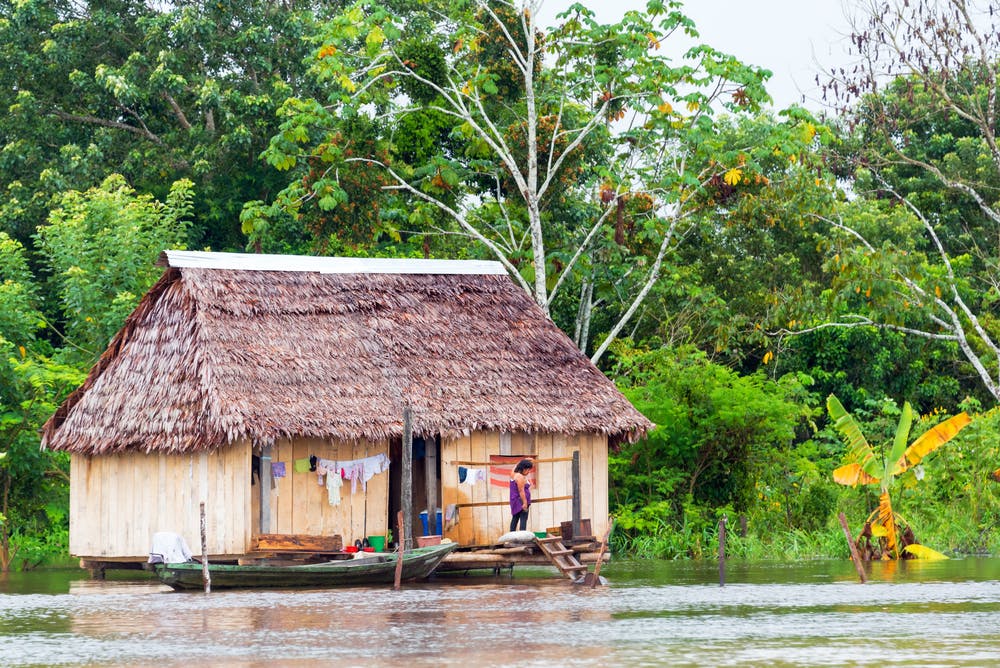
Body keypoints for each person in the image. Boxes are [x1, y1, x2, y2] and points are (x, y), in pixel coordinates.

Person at [509, 459, 533, 532]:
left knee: (515, 518)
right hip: (520, 500)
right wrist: (525, 503)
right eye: (528, 470)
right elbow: (521, 491)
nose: (529, 472)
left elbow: (517, 464)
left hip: (516, 500)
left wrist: (525, 460)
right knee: (523, 519)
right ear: (523, 468)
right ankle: (522, 539)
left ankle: (512, 537)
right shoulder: (520, 477)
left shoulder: (514, 473)